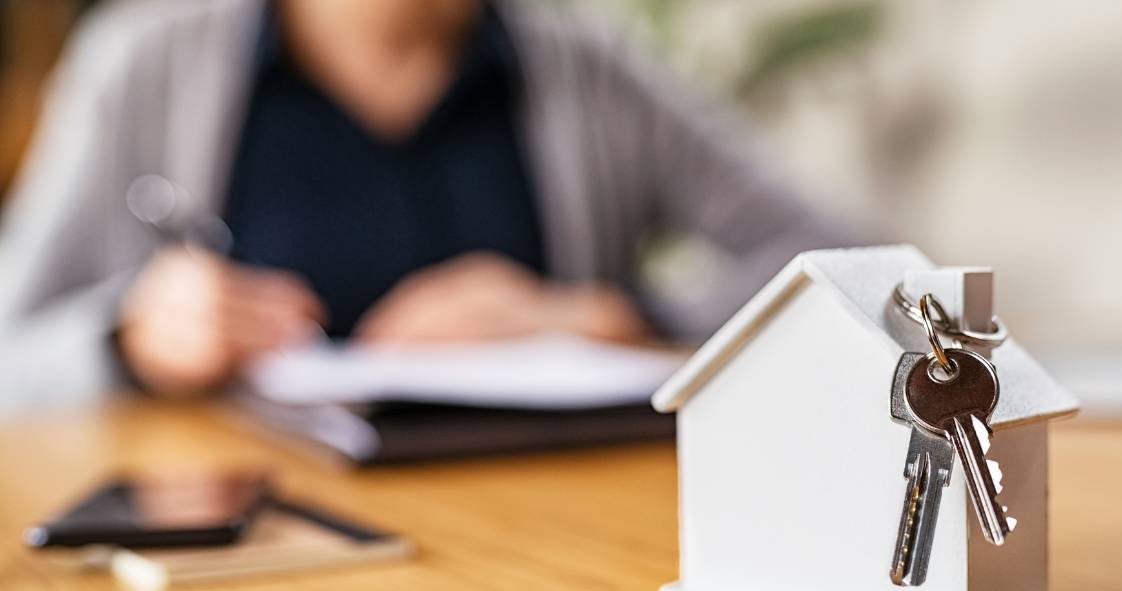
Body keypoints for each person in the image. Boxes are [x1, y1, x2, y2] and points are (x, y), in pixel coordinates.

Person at [0, 0, 850, 410]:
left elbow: (849, 269)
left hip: (547, 546)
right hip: (244, 555)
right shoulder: (141, 65)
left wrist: (611, 313)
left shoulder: (594, 69)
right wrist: (125, 338)